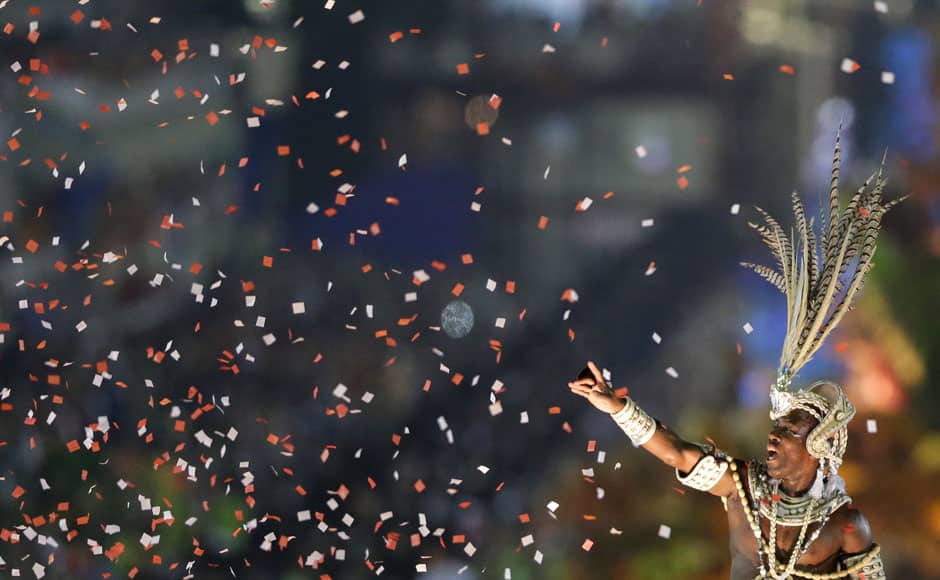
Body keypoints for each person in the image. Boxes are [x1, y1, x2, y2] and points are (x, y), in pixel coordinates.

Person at [569, 134, 898, 579]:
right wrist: (617, 407)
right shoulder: (741, 487)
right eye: (779, 425)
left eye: (789, 429)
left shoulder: (844, 526)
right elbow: (678, 456)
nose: (774, 436)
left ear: (819, 445)